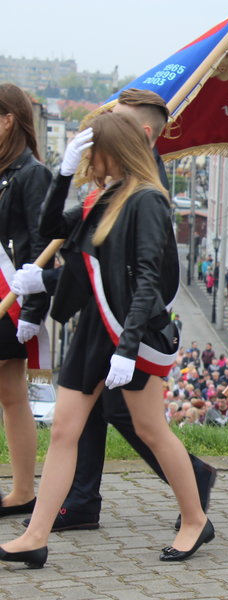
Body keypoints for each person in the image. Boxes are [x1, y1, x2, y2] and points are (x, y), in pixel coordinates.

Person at [0, 112, 213, 569]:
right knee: (64, 430)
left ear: (111, 151)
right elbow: (53, 226)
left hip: (130, 331)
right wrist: (60, 174)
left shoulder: (149, 200)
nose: (85, 162)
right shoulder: (105, 195)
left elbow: (147, 281)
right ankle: (36, 535)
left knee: (151, 430)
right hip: (95, 327)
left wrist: (128, 347)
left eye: (88, 152)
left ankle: (195, 519)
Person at [0, 83, 52, 520]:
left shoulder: (31, 173)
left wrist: (32, 312)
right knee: (9, 393)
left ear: (8, 120)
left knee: (11, 392)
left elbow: (41, 245)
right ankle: (20, 491)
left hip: (11, 299)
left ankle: (21, 491)